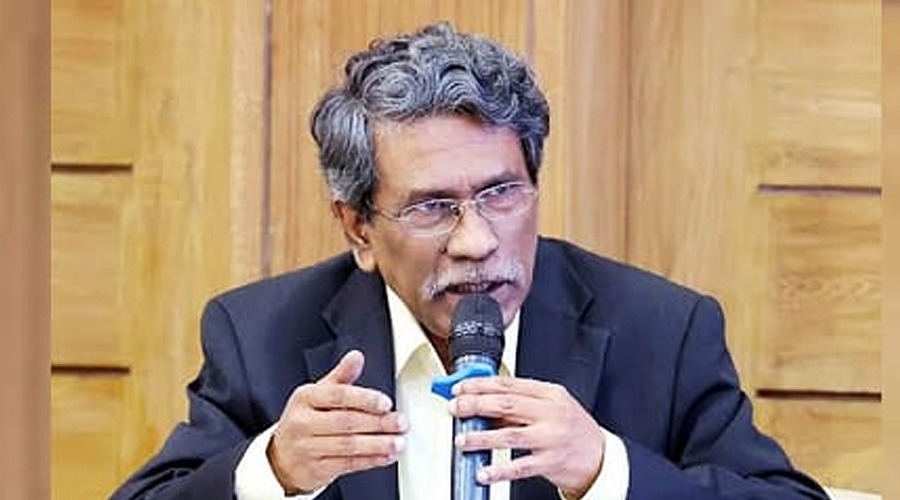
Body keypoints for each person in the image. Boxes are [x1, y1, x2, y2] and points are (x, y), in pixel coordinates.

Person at [111, 22, 828, 500]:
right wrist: (271, 472)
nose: (476, 240)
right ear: (358, 228)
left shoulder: (662, 331)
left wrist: (606, 470)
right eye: (432, 206)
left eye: (501, 193)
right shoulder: (260, 335)